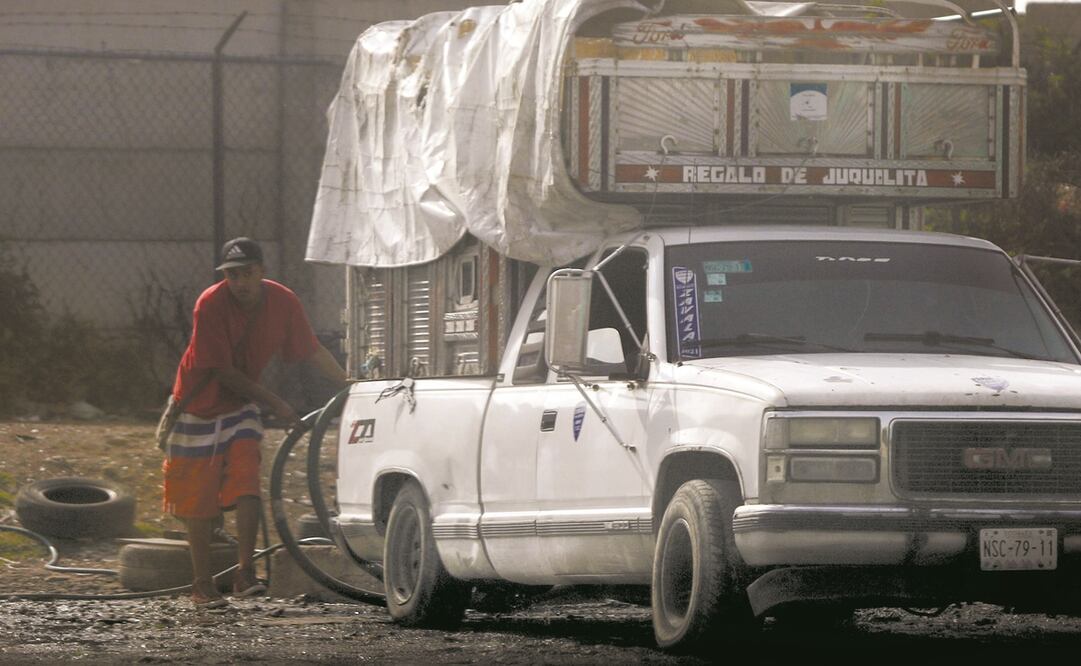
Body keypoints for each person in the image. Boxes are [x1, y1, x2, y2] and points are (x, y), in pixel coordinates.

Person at [163, 237, 347, 608]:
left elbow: (310, 349)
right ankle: (202, 584)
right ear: (224, 277)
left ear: (262, 272)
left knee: (247, 480)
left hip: (240, 405)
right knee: (197, 501)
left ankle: (245, 573)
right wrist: (278, 403)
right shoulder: (210, 304)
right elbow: (221, 371)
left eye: (247, 273)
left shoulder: (283, 301)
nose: (240, 282)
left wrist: (347, 382)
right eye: (232, 275)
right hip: (197, 406)